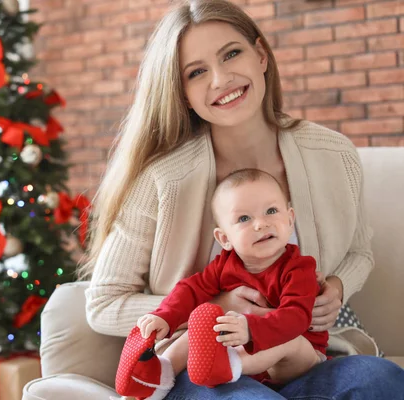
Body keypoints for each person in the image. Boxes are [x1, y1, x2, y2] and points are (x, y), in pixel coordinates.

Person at [81, 0, 404, 398]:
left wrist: (337, 285)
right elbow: (103, 304)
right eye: (196, 72)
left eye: (231, 53)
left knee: (382, 381)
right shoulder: (161, 181)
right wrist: (214, 307)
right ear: (181, 94)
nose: (221, 79)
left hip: (302, 356)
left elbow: (359, 252)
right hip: (207, 368)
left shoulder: (334, 153)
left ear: (261, 56)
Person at [115, 169, 328, 400]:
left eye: (271, 211)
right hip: (240, 351)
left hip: (298, 361)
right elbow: (190, 290)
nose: (261, 224)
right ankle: (157, 378)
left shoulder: (299, 269)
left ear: (289, 219)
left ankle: (228, 366)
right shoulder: (225, 265)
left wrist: (250, 329)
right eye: (244, 218)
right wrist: (164, 317)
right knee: (199, 324)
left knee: (288, 341)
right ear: (224, 239)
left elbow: (296, 318)